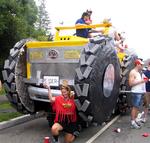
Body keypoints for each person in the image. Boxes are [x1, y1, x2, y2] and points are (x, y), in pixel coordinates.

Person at [128, 59, 148, 129]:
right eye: (141, 64)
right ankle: (133, 122)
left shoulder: (138, 72)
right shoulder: (133, 72)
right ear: (137, 64)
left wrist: (143, 81)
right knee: (135, 107)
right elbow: (130, 83)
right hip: (135, 92)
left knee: (137, 107)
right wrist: (141, 81)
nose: (142, 66)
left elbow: (138, 82)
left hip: (139, 92)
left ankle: (135, 120)